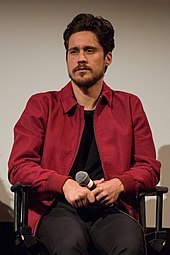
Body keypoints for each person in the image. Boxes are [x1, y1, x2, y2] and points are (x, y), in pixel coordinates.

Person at [8, 13, 160, 255]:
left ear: (107, 57)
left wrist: (119, 184)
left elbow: (149, 168)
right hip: (56, 207)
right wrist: (64, 184)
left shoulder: (130, 105)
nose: (80, 59)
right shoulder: (42, 104)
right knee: (69, 243)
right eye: (73, 51)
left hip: (112, 208)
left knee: (129, 245)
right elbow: (19, 166)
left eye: (89, 50)